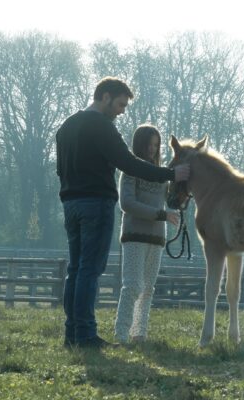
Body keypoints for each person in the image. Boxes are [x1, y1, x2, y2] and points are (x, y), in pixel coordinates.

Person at [56, 77, 190, 349]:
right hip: (96, 204)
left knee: (75, 269)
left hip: (71, 204)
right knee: (89, 270)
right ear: (105, 97)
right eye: (120, 104)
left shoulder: (66, 127)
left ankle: (72, 333)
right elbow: (129, 163)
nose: (121, 111)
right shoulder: (102, 127)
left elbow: (61, 170)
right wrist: (170, 174)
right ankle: (86, 335)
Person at [114, 125, 180, 344]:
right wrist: (160, 214)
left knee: (148, 289)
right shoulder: (130, 170)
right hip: (134, 235)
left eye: (155, 145)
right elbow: (127, 203)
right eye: (148, 145)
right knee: (132, 285)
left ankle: (139, 333)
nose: (152, 149)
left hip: (157, 238)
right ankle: (121, 334)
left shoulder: (161, 175)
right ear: (139, 145)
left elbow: (170, 200)